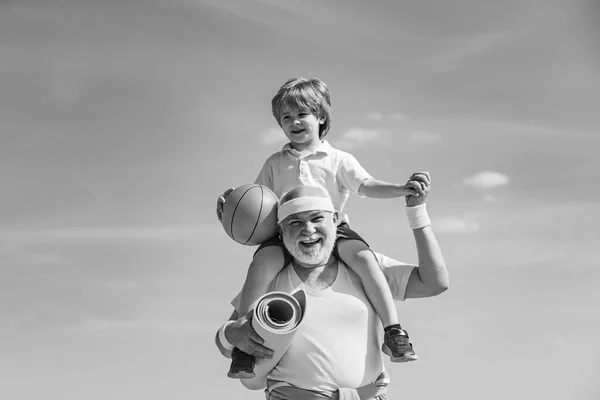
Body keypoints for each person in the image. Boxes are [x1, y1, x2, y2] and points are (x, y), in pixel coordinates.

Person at [216, 77, 427, 378]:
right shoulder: (275, 162)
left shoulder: (338, 158)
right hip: (285, 234)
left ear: (321, 116)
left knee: (366, 260)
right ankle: (245, 341)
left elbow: (366, 186)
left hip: (333, 231)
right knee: (261, 263)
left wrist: (400, 189)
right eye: (286, 118)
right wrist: (229, 207)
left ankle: (394, 333)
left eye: (301, 114)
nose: (294, 122)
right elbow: (258, 204)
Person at [215, 176, 448, 399]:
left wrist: (416, 211)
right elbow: (228, 340)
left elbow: (434, 282)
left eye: (317, 219)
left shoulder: (365, 266)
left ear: (335, 220)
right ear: (281, 231)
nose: (308, 229)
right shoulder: (270, 277)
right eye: (295, 222)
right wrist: (230, 334)